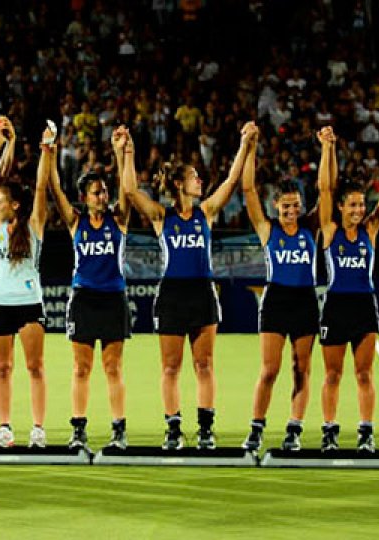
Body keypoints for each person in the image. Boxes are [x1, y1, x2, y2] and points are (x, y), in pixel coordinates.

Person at [124, 122, 256, 450]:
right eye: (194, 176)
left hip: (202, 292)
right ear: (180, 183)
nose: (200, 180)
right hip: (171, 295)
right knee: (170, 366)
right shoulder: (160, 216)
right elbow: (130, 191)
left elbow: (232, 180)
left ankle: (206, 429)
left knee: (204, 364)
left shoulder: (206, 212)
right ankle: (173, 429)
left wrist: (244, 144)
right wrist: (128, 152)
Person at [46, 125, 132, 450]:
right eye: (97, 193)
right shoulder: (76, 222)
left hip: (112, 297)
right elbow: (55, 189)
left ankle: (118, 431)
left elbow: (127, 189)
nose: (103, 196)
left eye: (104, 191)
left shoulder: (119, 218)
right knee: (81, 367)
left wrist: (122, 153)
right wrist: (50, 154)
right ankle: (78, 431)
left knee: (112, 367)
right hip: (83, 298)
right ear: (85, 197)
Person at [315, 126, 379, 452]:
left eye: (362, 205)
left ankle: (366, 432)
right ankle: (330, 431)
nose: (359, 210)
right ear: (340, 207)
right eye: (352, 205)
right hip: (336, 305)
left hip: (365, 305)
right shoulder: (331, 231)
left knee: (364, 374)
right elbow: (324, 189)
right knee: (333, 375)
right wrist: (327, 148)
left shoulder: (371, 230)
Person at [241, 122, 320, 453]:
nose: (291, 211)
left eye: (295, 205)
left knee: (300, 369)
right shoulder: (267, 229)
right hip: (276, 299)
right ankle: (257, 429)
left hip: (304, 300)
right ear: (277, 206)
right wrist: (250, 147)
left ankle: (294, 429)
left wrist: (327, 147)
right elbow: (247, 190)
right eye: (285, 206)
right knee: (270, 369)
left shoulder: (310, 228)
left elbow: (327, 191)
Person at [0, 117, 50, 448]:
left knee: (35, 368)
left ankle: (37, 429)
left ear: (15, 205)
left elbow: (40, 187)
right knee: (3, 369)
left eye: (1, 200)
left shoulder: (34, 225)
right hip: (1, 305)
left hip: (28, 303)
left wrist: (47, 150)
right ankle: (4, 428)